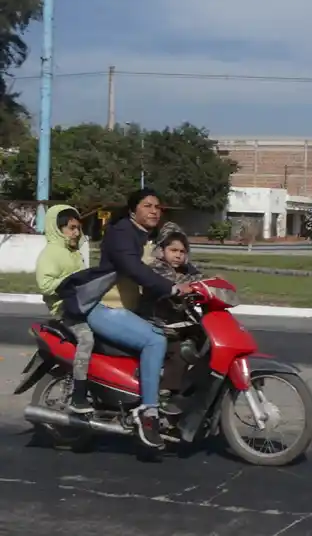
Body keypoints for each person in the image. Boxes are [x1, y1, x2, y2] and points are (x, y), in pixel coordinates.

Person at [57, 188, 192, 449]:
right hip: (103, 307)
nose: (154, 211)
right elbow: (134, 268)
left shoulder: (145, 235)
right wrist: (172, 288)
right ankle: (148, 412)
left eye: (157, 207)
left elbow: (173, 262)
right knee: (155, 340)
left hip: (128, 309)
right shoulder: (121, 233)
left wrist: (200, 282)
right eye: (147, 206)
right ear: (132, 210)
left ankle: (161, 394)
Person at [35, 205, 95, 414]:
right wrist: (72, 281)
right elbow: (45, 285)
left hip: (81, 306)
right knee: (87, 339)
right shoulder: (51, 253)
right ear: (57, 229)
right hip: (64, 311)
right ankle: (78, 394)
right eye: (71, 228)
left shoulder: (74, 252)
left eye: (78, 228)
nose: (76, 233)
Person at [141, 222, 204, 324]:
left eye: (182, 251)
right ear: (161, 251)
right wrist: (194, 284)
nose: (178, 255)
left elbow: (202, 279)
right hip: (156, 322)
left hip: (179, 321)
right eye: (173, 250)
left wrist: (214, 281)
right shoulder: (156, 268)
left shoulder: (186, 268)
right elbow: (176, 283)